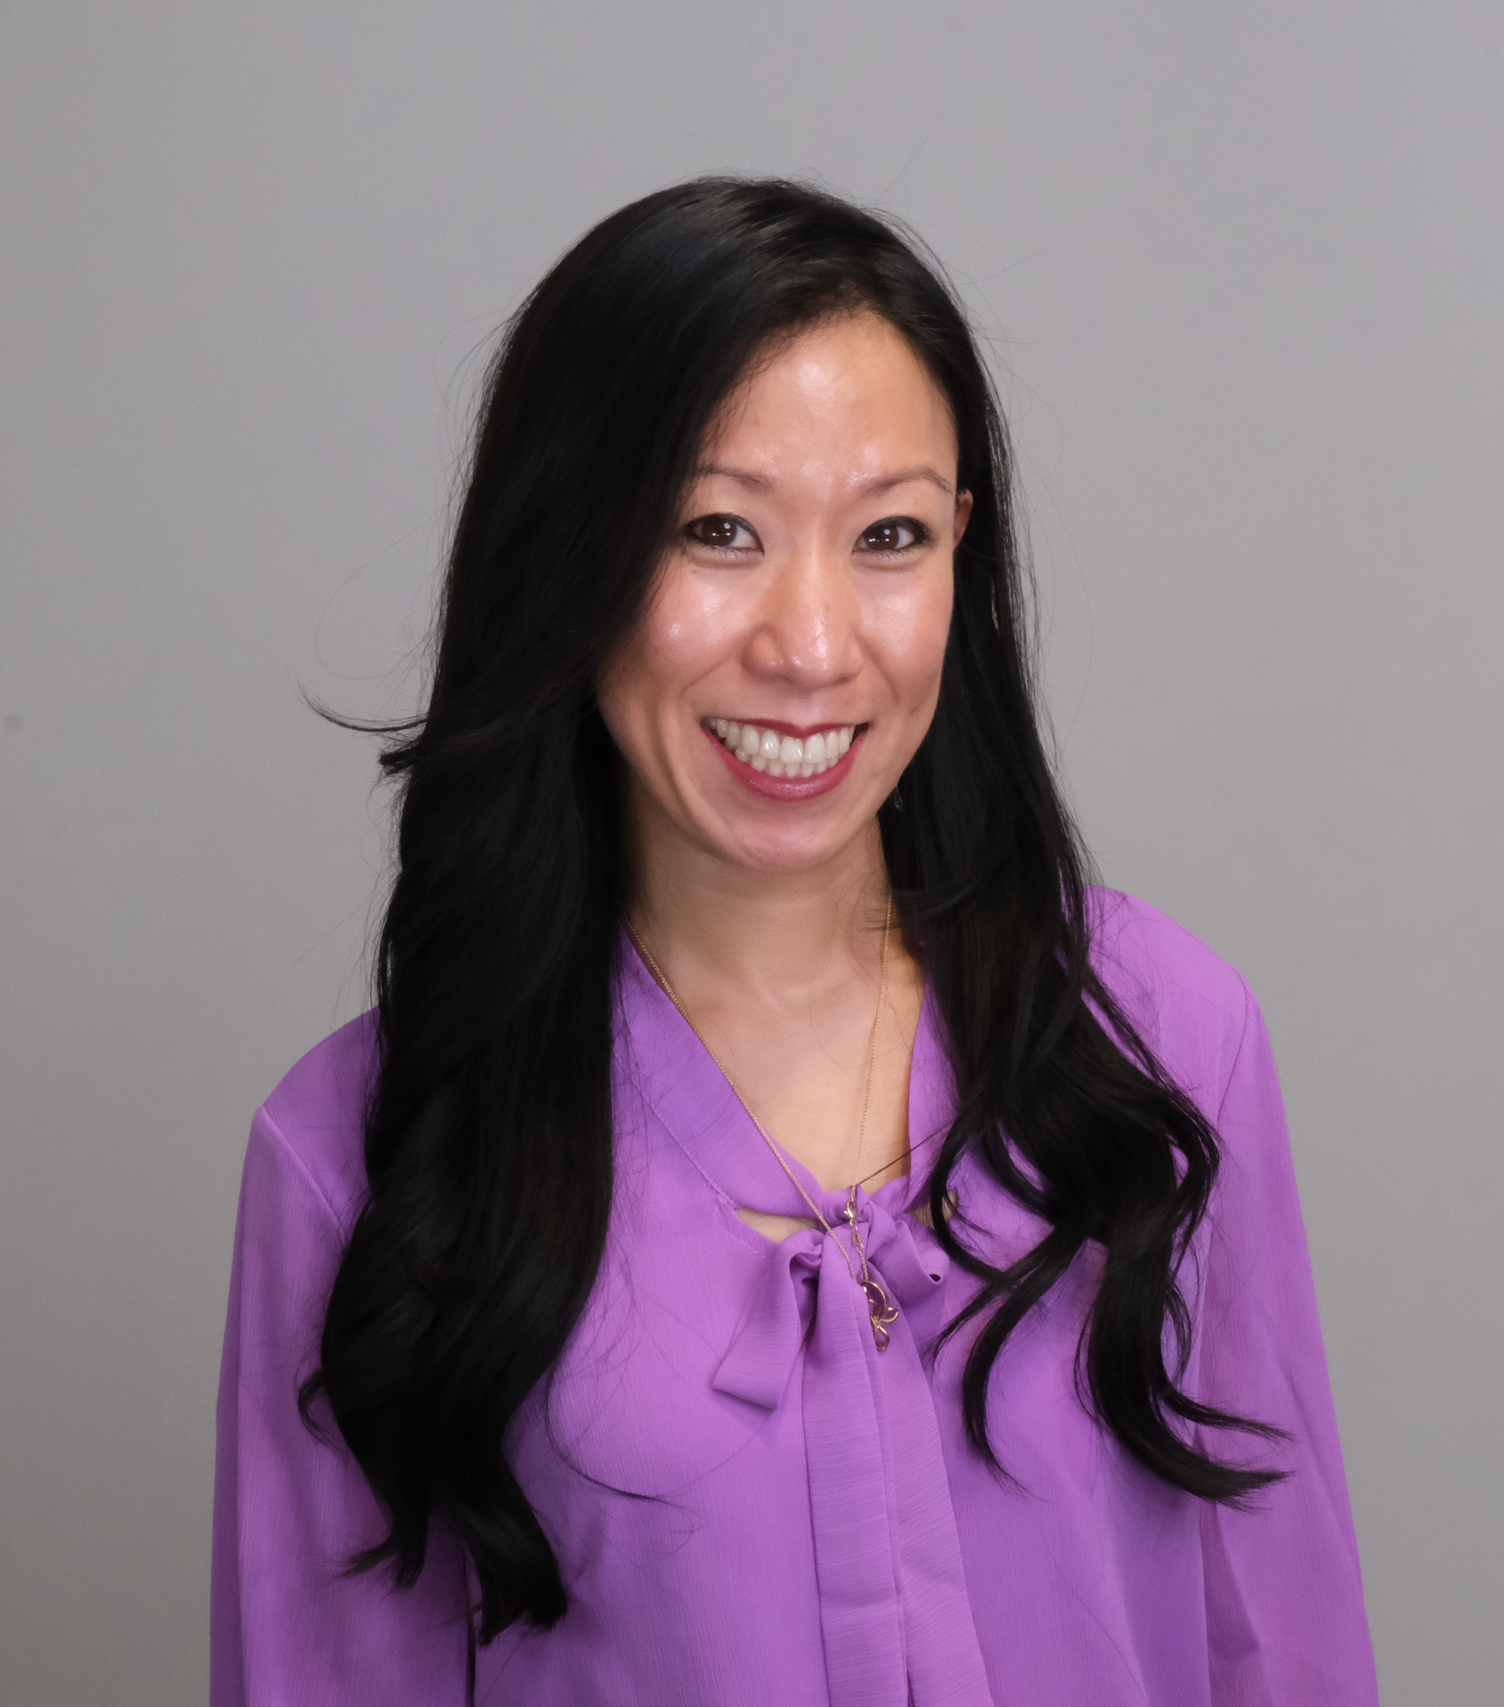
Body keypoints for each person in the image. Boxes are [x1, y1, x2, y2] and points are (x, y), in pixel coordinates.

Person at [211, 178, 1378, 1706]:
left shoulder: (1160, 1036)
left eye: (889, 533)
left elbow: (1278, 1643)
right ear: (565, 556)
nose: (814, 645)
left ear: (966, 549)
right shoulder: (354, 1157)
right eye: (716, 530)